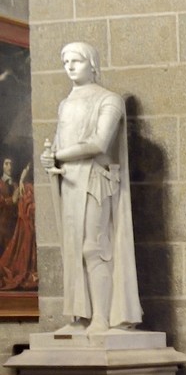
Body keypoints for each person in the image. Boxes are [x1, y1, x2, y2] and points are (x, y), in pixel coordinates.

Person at [42, 42, 141, 333]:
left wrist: (59, 155)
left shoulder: (109, 100)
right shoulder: (65, 104)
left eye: (77, 61)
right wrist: (50, 157)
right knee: (72, 250)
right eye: (66, 62)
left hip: (96, 180)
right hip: (70, 181)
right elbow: (60, 144)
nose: (70, 67)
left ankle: (101, 317)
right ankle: (79, 316)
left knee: (93, 247)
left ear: (93, 64)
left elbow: (99, 143)